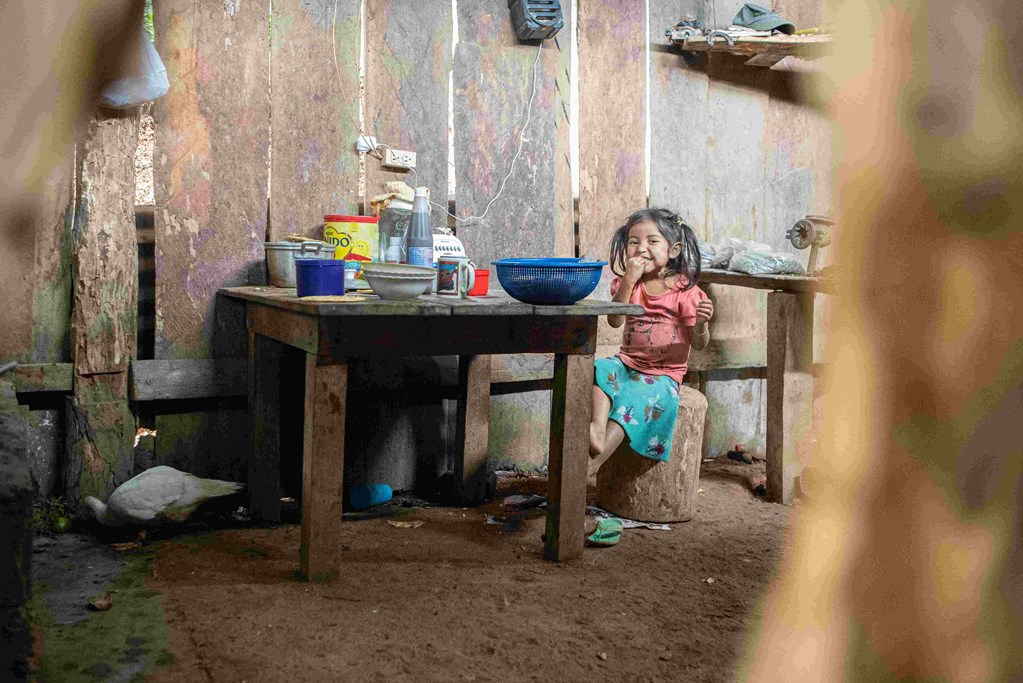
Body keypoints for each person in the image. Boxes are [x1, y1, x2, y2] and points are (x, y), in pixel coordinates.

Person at [589, 208, 714, 476]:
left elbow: (700, 344)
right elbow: (615, 321)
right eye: (634, 242)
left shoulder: (685, 291)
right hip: (627, 363)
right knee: (598, 369)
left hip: (663, 375)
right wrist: (629, 281)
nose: (641, 248)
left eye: (652, 241)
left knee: (635, 401)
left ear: (674, 250)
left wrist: (702, 323)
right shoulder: (627, 284)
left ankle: (593, 464)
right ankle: (597, 428)